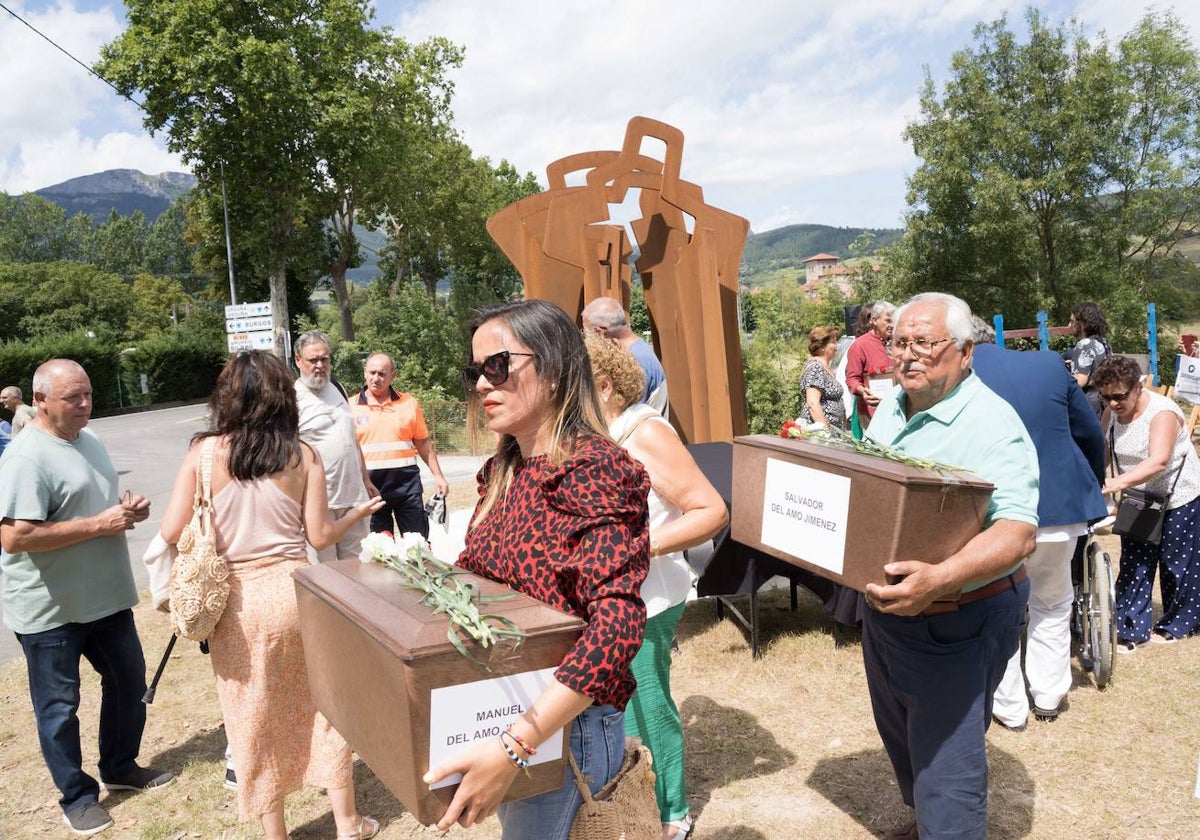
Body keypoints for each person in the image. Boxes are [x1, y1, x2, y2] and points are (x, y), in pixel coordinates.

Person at [425, 299, 650, 838]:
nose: (482, 384)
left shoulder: (596, 469)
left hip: (566, 730)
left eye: (497, 366)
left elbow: (616, 629)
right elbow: (478, 578)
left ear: (551, 369)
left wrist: (516, 745)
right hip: (515, 715)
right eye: (475, 371)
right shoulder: (506, 471)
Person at [159, 351, 383, 840]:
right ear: (284, 396)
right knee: (326, 706)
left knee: (250, 716)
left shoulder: (204, 453)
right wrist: (355, 514)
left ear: (228, 396)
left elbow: (172, 529)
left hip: (236, 602)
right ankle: (348, 822)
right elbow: (321, 536)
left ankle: (275, 832)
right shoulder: (303, 454)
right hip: (296, 592)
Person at [861, 294, 1038, 840]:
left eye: (924, 344)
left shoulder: (993, 423)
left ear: (964, 353)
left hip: (959, 614)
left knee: (948, 767)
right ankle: (927, 822)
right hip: (891, 614)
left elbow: (1018, 531)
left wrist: (938, 578)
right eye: (899, 343)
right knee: (904, 736)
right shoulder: (894, 405)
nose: (907, 357)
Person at [0, 359, 173, 837]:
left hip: (106, 597)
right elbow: (15, 537)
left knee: (127, 681)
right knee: (59, 706)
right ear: (39, 401)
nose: (84, 405)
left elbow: (93, 508)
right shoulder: (24, 457)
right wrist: (99, 524)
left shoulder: (90, 440)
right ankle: (76, 796)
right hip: (51, 609)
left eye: (88, 395)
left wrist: (126, 510)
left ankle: (120, 767)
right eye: (72, 398)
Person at [584, 331, 726, 840]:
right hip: (607, 603)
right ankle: (631, 809)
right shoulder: (599, 432)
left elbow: (710, 511)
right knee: (615, 714)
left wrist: (637, 547)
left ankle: (672, 814)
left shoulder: (644, 432)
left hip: (648, 600)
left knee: (647, 707)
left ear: (604, 386)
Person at [970, 317, 1109, 729]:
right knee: (1052, 599)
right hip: (1057, 506)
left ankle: (1009, 706)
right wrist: (1090, 483)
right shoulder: (1049, 363)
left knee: (1000, 606)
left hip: (995, 511)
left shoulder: (962, 375)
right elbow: (1089, 433)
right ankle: (1048, 695)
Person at [1093, 354, 1200, 649]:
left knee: (1176, 562)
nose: (1113, 404)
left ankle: (1179, 624)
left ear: (1137, 387)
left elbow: (1159, 460)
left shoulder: (1162, 412)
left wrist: (1118, 483)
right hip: (1140, 497)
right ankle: (1130, 628)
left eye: (1119, 396)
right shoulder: (1111, 411)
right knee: (1134, 560)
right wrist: (1096, 476)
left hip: (1179, 495)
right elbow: (1102, 445)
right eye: (1106, 397)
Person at [293, 330, 376, 562]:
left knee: (356, 569)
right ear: (298, 360)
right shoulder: (291, 398)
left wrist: (365, 479)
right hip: (319, 503)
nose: (320, 365)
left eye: (325, 359)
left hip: (354, 499)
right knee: (325, 574)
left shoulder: (337, 388)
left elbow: (352, 439)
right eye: (313, 360)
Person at [352, 353, 449, 539]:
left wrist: (439, 476)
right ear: (364, 373)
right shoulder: (350, 407)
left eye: (382, 374)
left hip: (407, 486)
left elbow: (423, 442)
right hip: (371, 489)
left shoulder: (409, 404)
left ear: (393, 375)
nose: (376, 378)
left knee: (417, 546)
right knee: (379, 552)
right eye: (372, 372)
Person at [582, 295, 669, 416]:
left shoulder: (635, 361)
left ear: (600, 332)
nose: (587, 340)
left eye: (587, 334)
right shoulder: (638, 351)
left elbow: (620, 416)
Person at [844, 300, 895, 430]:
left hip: (897, 410)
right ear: (874, 320)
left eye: (894, 321)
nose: (892, 325)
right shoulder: (859, 345)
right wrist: (863, 391)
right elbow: (852, 379)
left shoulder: (899, 343)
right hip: (872, 413)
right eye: (888, 321)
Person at [1062, 302, 1111, 418]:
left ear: (1083, 323)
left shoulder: (1083, 344)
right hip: (1103, 399)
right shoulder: (1102, 342)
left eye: (1072, 321)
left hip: (1088, 402)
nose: (1069, 325)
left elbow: (1080, 380)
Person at [798, 325, 846, 430]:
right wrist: (826, 431)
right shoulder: (816, 367)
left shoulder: (826, 368)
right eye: (833, 342)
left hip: (835, 432)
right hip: (820, 434)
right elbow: (812, 403)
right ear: (822, 346)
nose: (837, 346)